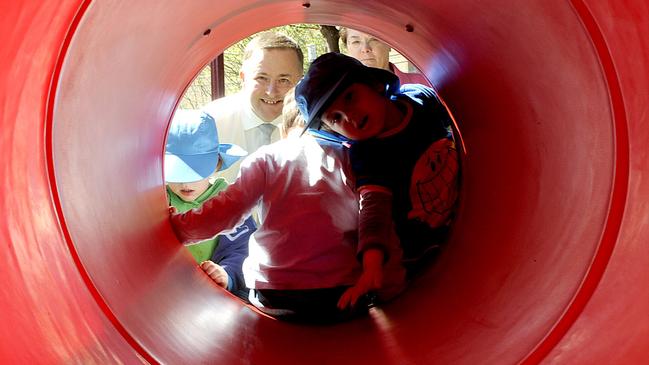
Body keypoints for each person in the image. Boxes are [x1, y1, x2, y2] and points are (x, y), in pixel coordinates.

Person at [170, 90, 405, 323]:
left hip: (274, 293)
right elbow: (376, 219)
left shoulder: (266, 158)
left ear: (283, 129)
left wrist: (177, 229)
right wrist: (391, 287)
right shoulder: (352, 158)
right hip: (340, 292)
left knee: (247, 304)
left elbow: (225, 212)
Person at [295, 52, 459, 277]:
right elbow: (374, 210)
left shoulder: (422, 100)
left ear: (375, 84)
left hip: (466, 214)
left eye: (350, 97)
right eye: (336, 118)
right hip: (423, 252)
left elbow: (465, 120)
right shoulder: (369, 154)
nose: (349, 116)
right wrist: (372, 266)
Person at [165, 109, 256, 300]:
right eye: (177, 174)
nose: (185, 184)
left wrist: (226, 274)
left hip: (210, 294)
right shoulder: (160, 199)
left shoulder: (229, 202)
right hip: (168, 289)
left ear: (216, 164)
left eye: (194, 173)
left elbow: (243, 249)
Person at [201, 31, 304, 183]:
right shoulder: (209, 125)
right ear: (243, 78)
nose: (271, 91)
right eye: (261, 78)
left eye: (283, 80)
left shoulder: (313, 129)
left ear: (300, 82)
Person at [339, 27, 431, 86]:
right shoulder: (339, 98)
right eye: (356, 42)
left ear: (390, 44)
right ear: (347, 47)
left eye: (374, 39)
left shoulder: (426, 85)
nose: (365, 48)